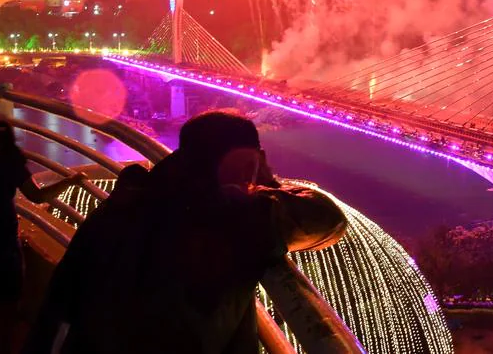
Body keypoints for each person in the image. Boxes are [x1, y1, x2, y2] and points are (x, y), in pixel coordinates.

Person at [23, 110, 349, 354]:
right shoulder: (237, 219)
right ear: (245, 161)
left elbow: (60, 300)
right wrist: (267, 183)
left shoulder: (129, 199)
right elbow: (327, 220)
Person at [0, 110, 87, 354]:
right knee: (6, 319)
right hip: (4, 251)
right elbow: (37, 196)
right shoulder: (9, 165)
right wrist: (71, 181)